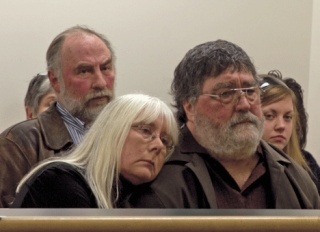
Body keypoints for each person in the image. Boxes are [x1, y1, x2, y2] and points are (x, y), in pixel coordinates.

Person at [125, 40, 320, 208]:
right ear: (190, 107)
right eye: (226, 94)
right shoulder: (158, 177)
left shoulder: (294, 177)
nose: (244, 104)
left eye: (250, 91)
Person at [0, 25, 116, 207]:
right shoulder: (18, 144)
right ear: (55, 80)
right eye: (84, 71)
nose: (100, 82)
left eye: (106, 68)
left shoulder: (130, 138)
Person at [11, 94, 179, 208]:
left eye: (165, 140)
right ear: (112, 130)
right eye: (146, 130)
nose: (159, 146)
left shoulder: (142, 197)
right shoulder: (60, 181)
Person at [259, 70, 320, 191]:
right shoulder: (240, 172)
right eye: (269, 116)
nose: (281, 126)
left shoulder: (307, 165)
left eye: (287, 117)